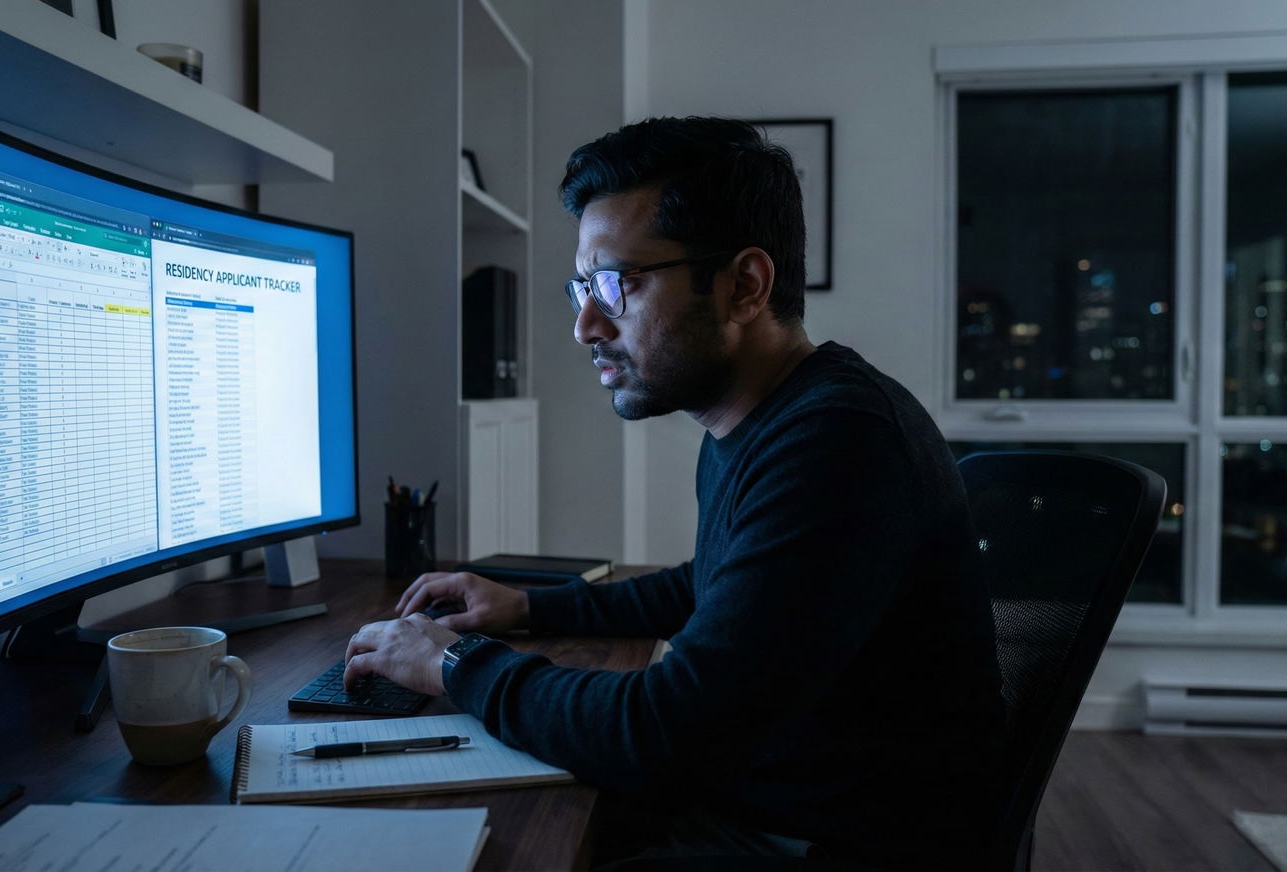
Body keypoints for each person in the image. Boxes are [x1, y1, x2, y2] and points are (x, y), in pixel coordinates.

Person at [342, 116, 1005, 868]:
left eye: (616, 284)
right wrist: (528, 606)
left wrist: (457, 665)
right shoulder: (760, 418)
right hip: (763, 807)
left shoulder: (840, 441)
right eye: (581, 287)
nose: (585, 324)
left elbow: (667, 731)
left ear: (744, 286)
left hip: (831, 846)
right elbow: (717, 584)